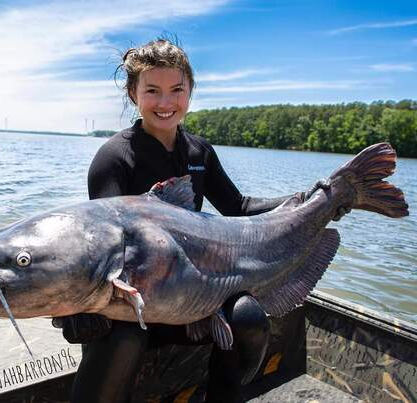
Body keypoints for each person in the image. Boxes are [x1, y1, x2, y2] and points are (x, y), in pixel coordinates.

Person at [54, 38, 349, 403]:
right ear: (133, 94)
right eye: (152, 91)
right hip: (130, 306)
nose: (166, 103)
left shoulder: (199, 152)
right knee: (123, 338)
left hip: (190, 301)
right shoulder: (114, 157)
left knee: (247, 319)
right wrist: (77, 307)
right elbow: (103, 245)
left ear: (190, 92)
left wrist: (310, 202)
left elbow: (238, 206)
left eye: (176, 90)